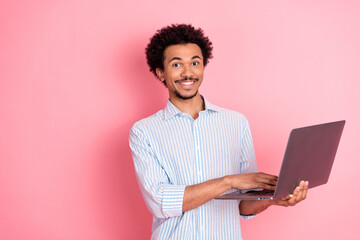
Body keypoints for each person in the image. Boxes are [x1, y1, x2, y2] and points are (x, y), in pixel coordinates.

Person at [129, 24, 308, 240]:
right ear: (161, 73)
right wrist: (228, 181)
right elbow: (161, 202)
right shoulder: (144, 132)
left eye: (195, 63)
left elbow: (243, 204)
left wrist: (272, 199)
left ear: (203, 67)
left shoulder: (236, 123)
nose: (188, 72)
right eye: (176, 64)